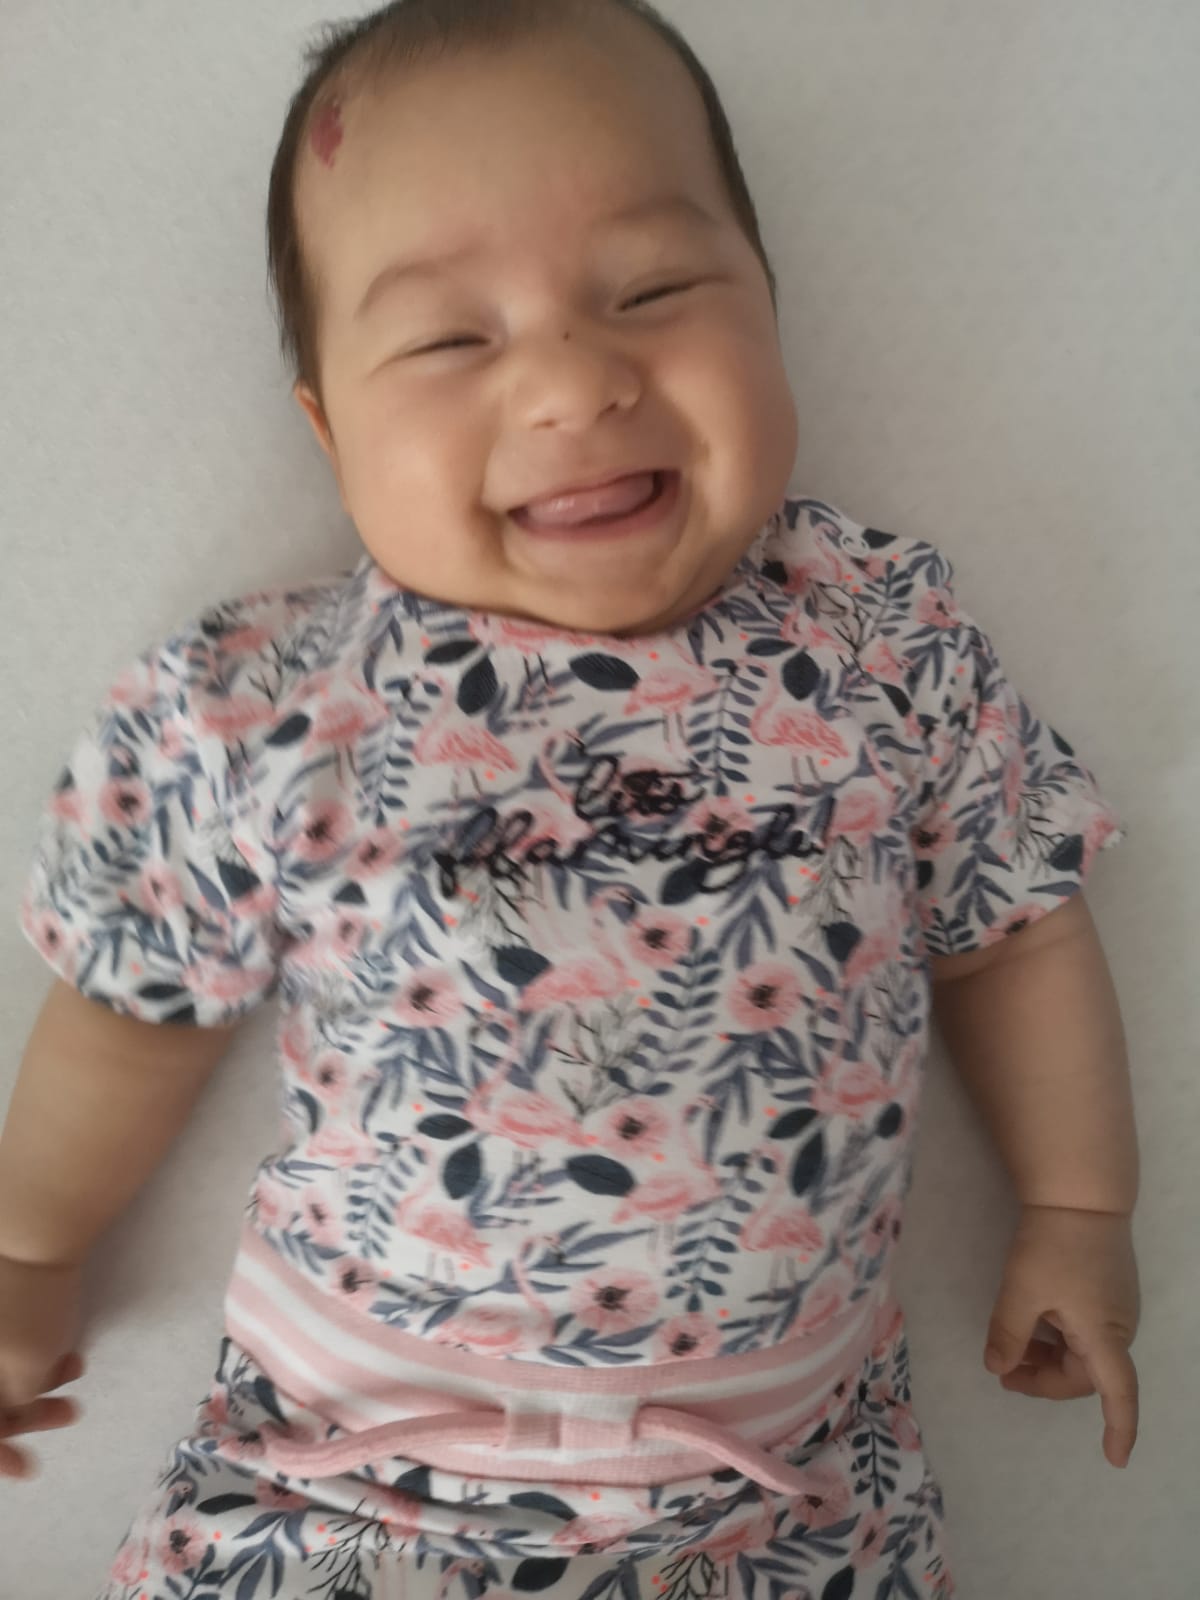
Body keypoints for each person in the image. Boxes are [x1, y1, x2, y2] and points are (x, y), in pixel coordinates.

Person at [0, 1, 1140, 1595]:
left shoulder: (880, 638)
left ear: (769, 308)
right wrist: (29, 1248)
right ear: (329, 428)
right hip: (346, 1481)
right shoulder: (276, 704)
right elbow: (131, 1010)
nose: (572, 379)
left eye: (652, 289)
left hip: (789, 1501)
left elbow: (1014, 931)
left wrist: (1079, 1209)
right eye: (449, 340)